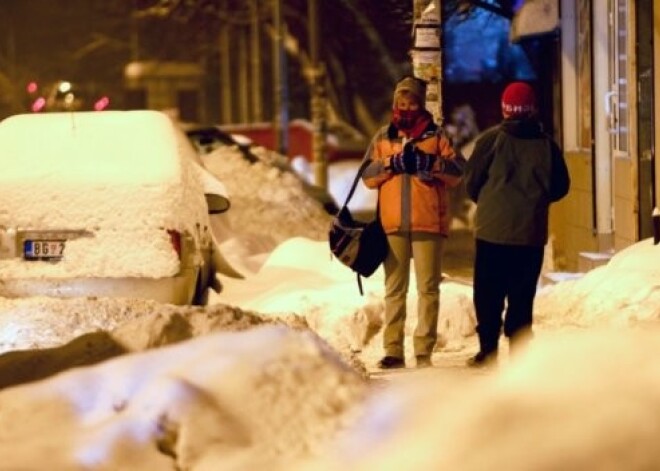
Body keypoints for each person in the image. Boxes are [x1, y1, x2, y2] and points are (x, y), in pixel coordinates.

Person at [464, 81, 570, 368]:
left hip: (492, 231)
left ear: (505, 109)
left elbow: (471, 182)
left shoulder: (490, 141)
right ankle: (520, 350)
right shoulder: (547, 146)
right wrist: (535, 199)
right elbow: (561, 186)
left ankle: (488, 350)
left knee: (488, 292)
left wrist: (489, 202)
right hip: (529, 232)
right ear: (532, 109)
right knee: (522, 293)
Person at [362, 76, 466, 369]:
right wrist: (390, 164)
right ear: (395, 104)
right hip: (393, 224)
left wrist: (429, 164)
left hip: (428, 222)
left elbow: (457, 172)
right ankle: (393, 349)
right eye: (401, 103)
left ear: (421, 105)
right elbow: (368, 176)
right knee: (394, 290)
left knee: (428, 289)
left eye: (411, 103)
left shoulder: (436, 135)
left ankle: (423, 351)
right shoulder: (384, 137)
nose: (405, 108)